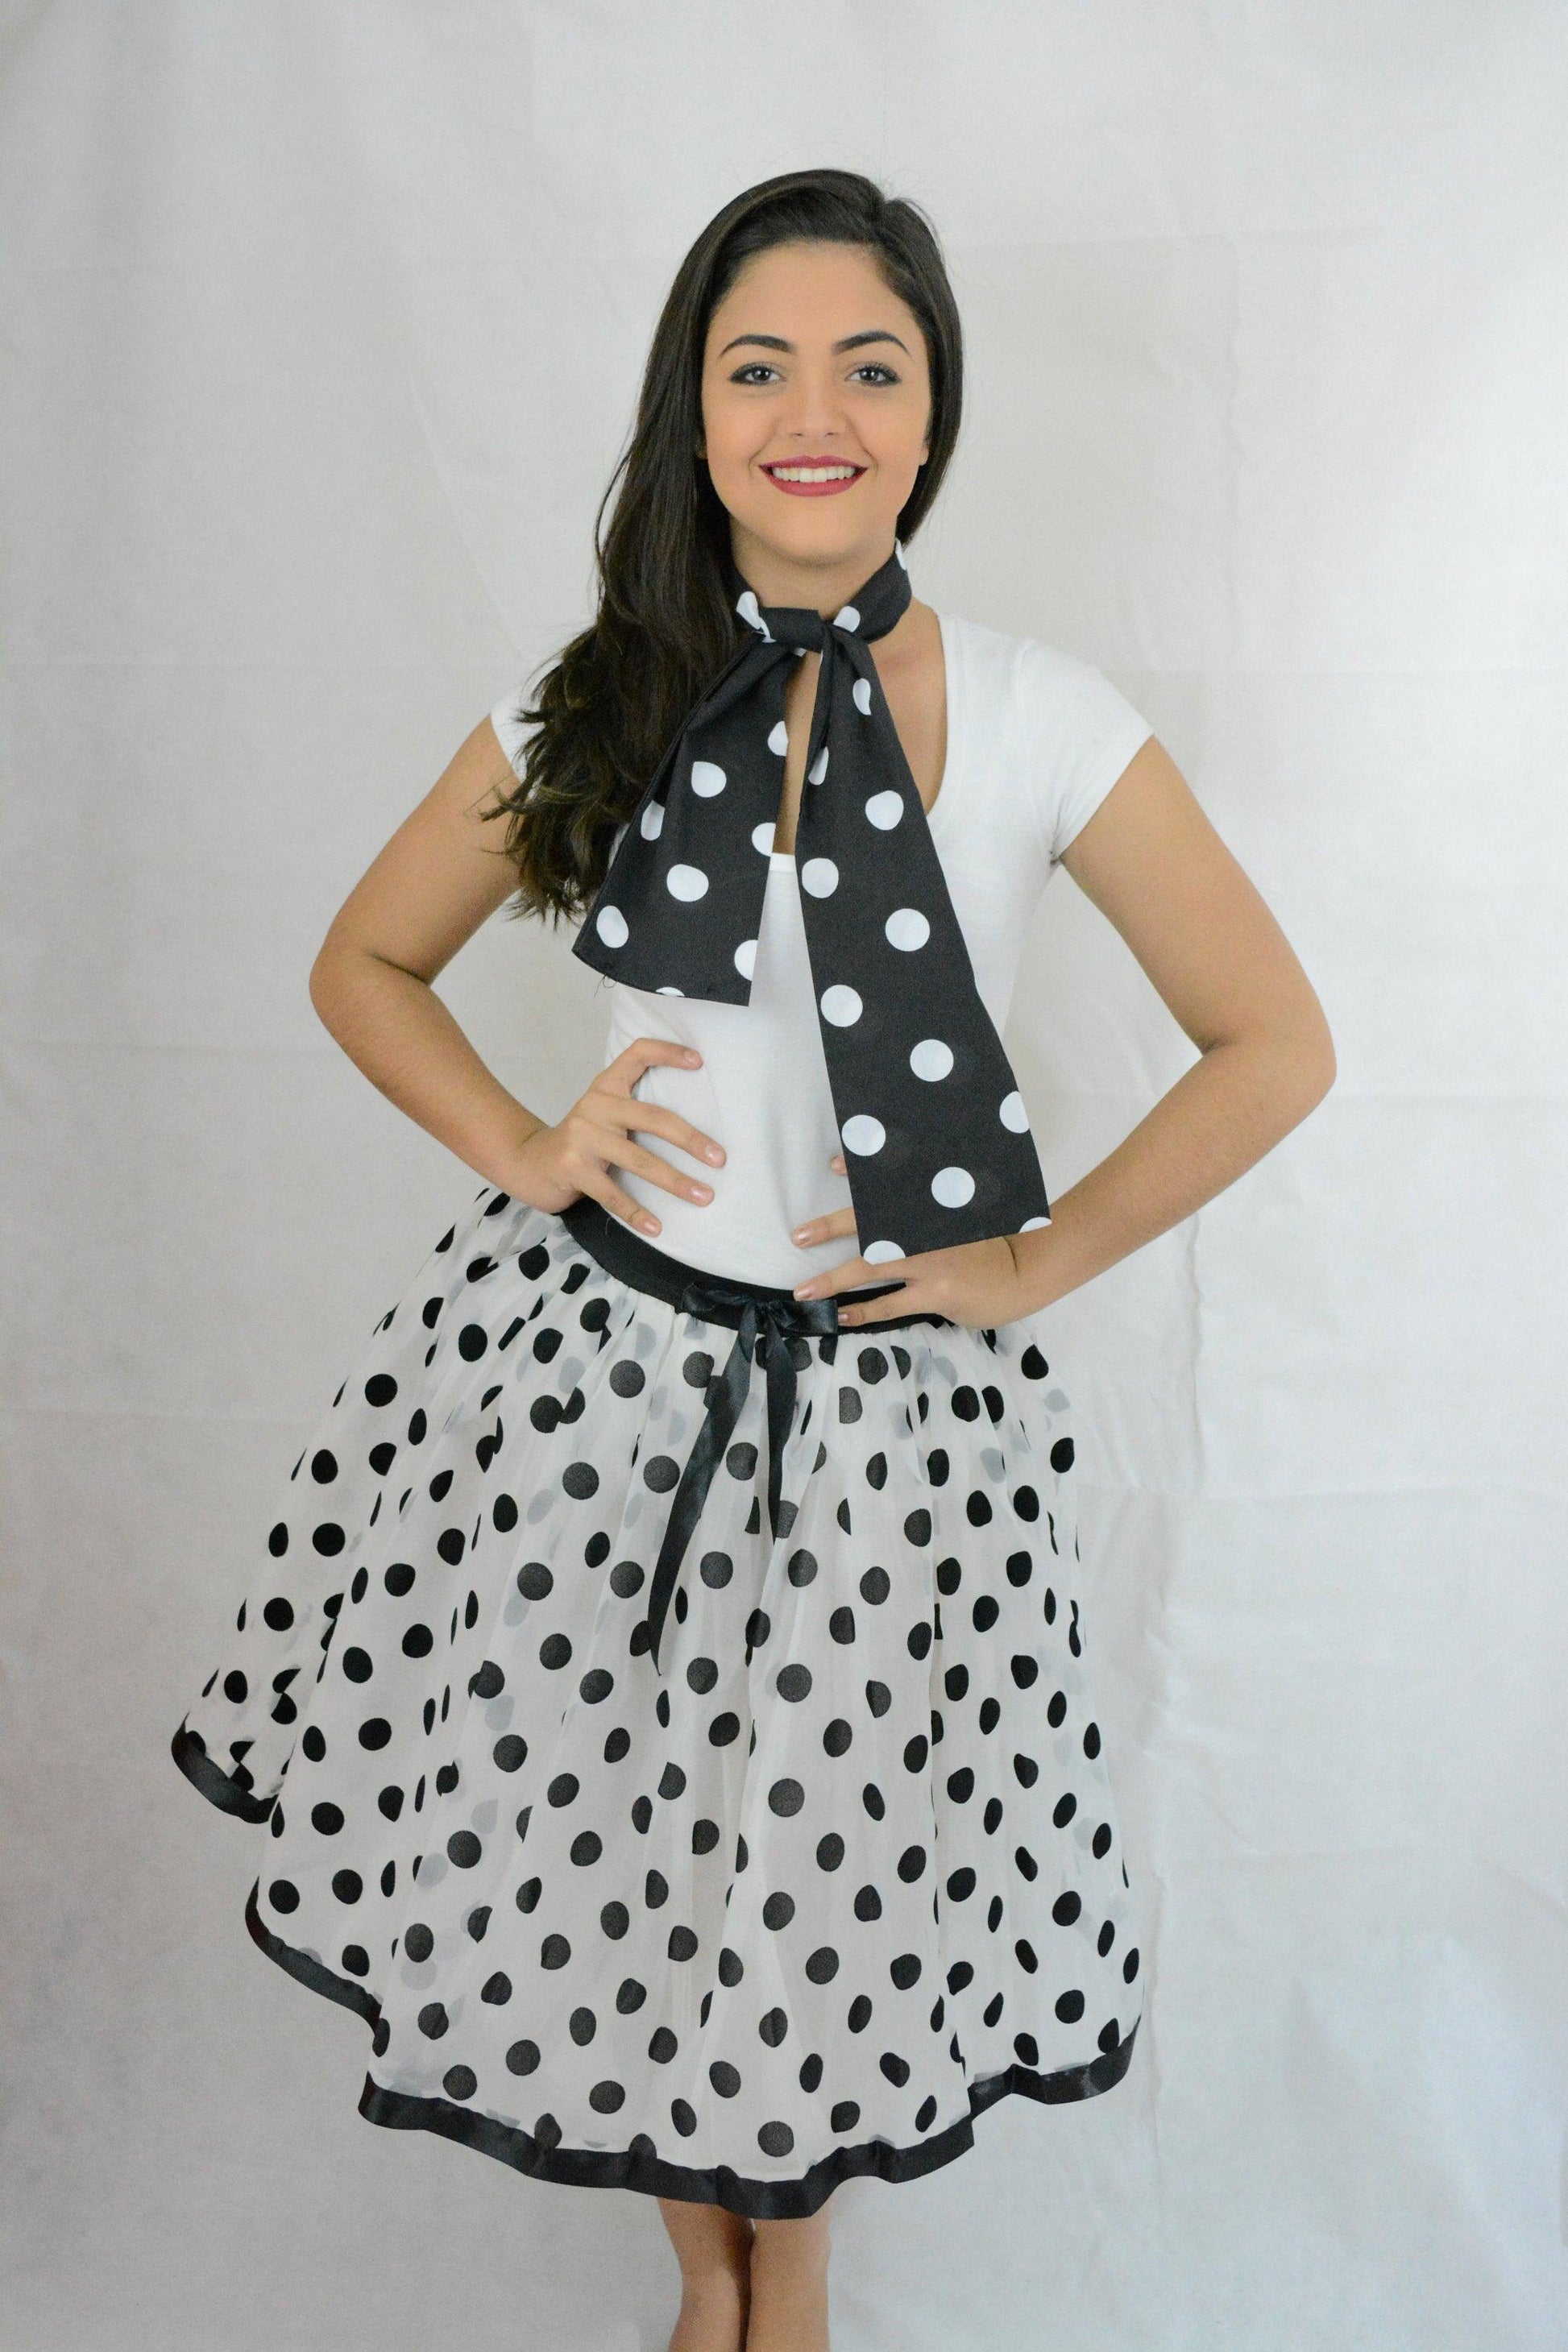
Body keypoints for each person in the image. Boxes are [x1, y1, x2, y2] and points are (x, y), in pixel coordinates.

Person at [170, 168, 1334, 2352]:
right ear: (693, 414)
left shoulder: (1045, 714)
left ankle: (775, 2284)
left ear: (933, 412)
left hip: (884, 1426)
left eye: (869, 368)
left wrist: (1030, 1259)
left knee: (815, 1883)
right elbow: (363, 964)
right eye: (759, 367)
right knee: (631, 1856)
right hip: (596, 1388)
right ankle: (709, 2284)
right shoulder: (598, 699)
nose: (816, 415)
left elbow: (1273, 1041)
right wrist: (532, 1147)